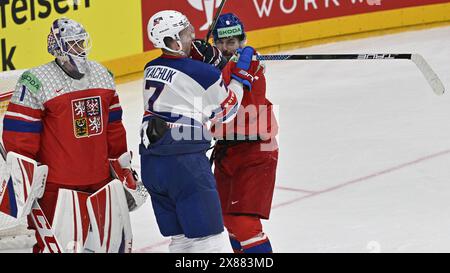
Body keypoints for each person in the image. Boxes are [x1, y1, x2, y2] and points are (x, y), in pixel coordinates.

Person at [1, 18, 146, 253]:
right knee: (58, 248)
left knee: (112, 247)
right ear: (58, 47)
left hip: (101, 182)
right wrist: (24, 185)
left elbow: (114, 129)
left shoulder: (102, 74)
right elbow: (19, 140)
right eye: (73, 43)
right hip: (58, 189)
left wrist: (122, 168)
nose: (80, 48)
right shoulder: (37, 81)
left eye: (81, 42)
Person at [140, 10, 260, 253]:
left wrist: (201, 63)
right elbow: (227, 110)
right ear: (172, 41)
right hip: (184, 166)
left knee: (181, 240)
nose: (192, 35)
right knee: (211, 240)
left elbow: (181, 83)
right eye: (185, 33)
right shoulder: (203, 73)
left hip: (152, 165)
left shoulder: (149, 68)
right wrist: (238, 76)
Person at [192, 13, 279, 253]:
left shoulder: (250, 64)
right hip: (227, 151)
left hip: (256, 151)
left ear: (242, 42)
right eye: (219, 42)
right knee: (227, 221)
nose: (225, 47)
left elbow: (231, 92)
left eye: (231, 42)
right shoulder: (215, 68)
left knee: (244, 223)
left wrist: (237, 60)